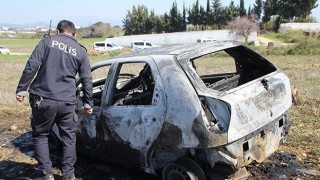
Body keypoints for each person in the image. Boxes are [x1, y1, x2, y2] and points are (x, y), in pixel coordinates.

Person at [16, 20, 93, 180]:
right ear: (74, 34)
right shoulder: (80, 50)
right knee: (69, 139)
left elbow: (32, 65)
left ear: (58, 31)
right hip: (67, 102)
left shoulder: (47, 41)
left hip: (43, 99)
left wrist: (22, 88)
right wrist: (88, 102)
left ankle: (46, 174)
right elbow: (86, 78)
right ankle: (68, 175)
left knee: (41, 135)